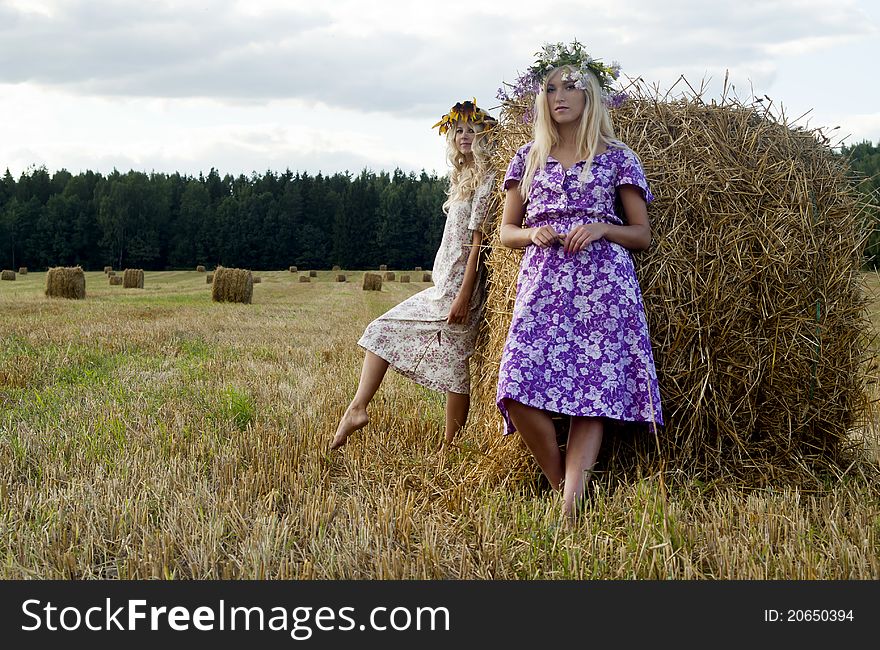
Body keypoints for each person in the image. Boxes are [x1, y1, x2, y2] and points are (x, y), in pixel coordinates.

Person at [496, 42, 663, 520]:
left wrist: (602, 227)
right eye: (550, 88)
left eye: (571, 86)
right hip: (544, 279)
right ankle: (562, 486)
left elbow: (642, 234)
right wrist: (532, 232)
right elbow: (505, 232)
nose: (559, 96)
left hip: (603, 283)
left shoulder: (617, 158)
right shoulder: (527, 158)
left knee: (594, 394)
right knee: (516, 386)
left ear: (591, 96)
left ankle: (570, 507)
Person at [331, 99, 497, 450]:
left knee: (380, 330)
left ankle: (357, 407)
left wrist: (465, 294)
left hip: (458, 287)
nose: (465, 136)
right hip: (447, 281)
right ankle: (451, 447)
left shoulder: (487, 181)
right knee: (456, 364)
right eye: (459, 131)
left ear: (485, 135)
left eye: (473, 130)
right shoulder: (463, 178)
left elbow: (478, 245)